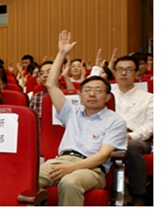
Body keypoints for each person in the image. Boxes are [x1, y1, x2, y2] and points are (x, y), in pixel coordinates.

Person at [38, 31, 127, 206]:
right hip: (60, 161)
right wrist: (61, 53)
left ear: (108, 97)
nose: (92, 94)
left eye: (98, 91)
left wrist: (70, 168)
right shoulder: (71, 112)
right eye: (87, 90)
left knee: (69, 182)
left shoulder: (115, 121)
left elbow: (102, 156)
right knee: (25, 178)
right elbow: (51, 84)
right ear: (79, 96)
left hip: (92, 169)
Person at [112, 55, 153, 205]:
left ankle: (138, 195)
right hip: (109, 138)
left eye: (129, 70)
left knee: (132, 146)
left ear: (136, 73)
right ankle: (108, 192)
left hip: (138, 140)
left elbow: (151, 125)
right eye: (120, 69)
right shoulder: (106, 96)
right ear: (114, 72)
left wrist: (130, 136)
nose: (124, 73)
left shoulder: (149, 98)